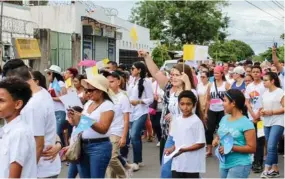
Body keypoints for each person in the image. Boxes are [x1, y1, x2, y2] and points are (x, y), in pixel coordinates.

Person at [3, 60, 62, 178]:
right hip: (45, 168)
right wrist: (58, 143)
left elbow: (38, 144)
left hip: (40, 172)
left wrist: (29, 174)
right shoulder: (42, 92)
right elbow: (48, 128)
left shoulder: (32, 105)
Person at [71, 75, 114, 178]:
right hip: (83, 144)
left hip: (99, 146)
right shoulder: (88, 103)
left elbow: (103, 129)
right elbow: (80, 125)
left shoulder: (107, 105)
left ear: (100, 91)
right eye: (87, 90)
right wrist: (74, 117)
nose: (88, 93)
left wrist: (85, 118)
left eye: (91, 90)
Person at [213, 89, 256, 178]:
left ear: (233, 103)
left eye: (225, 101)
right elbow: (219, 134)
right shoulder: (224, 118)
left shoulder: (246, 123)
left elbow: (252, 148)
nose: (222, 103)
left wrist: (230, 148)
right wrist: (216, 139)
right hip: (224, 163)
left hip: (240, 164)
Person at [0, 77, 37, 178]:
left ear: (17, 104)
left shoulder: (19, 133)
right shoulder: (7, 129)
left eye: (1, 101)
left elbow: (14, 176)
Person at [165, 90, 206, 178]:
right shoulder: (177, 120)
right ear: (178, 104)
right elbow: (177, 141)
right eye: (182, 104)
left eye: (188, 104)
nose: (185, 107)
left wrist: (184, 150)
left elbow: (201, 143)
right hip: (177, 164)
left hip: (191, 165)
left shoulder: (196, 121)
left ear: (194, 105)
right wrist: (171, 149)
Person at [127, 61, 154, 171]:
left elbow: (151, 98)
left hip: (141, 112)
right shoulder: (132, 80)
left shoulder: (146, 82)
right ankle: (140, 159)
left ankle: (136, 161)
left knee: (133, 135)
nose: (131, 70)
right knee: (136, 136)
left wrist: (139, 102)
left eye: (133, 68)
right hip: (131, 112)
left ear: (139, 70)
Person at [105, 71, 132, 178]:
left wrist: (124, 136)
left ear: (118, 82)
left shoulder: (123, 97)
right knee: (108, 161)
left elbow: (126, 119)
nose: (109, 84)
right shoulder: (106, 97)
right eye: (107, 82)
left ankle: (124, 175)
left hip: (117, 131)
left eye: (112, 82)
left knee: (112, 157)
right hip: (105, 132)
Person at [260, 72, 284, 178]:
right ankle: (275, 169)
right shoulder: (264, 93)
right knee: (271, 147)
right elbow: (263, 108)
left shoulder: (280, 92)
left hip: (278, 121)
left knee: (271, 146)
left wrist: (272, 112)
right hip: (266, 122)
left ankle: (266, 170)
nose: (263, 82)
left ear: (272, 81)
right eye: (263, 80)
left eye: (265, 80)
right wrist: (262, 112)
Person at [205, 66, 231, 157]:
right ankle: (209, 149)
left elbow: (230, 98)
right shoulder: (210, 84)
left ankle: (223, 148)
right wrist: (205, 112)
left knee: (223, 130)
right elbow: (208, 99)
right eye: (214, 73)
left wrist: (228, 111)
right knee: (209, 130)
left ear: (222, 74)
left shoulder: (226, 84)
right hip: (212, 109)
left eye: (217, 73)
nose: (215, 75)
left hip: (223, 110)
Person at [244, 65, 266, 173]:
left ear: (261, 73)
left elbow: (265, 100)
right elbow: (247, 101)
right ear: (251, 73)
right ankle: (252, 161)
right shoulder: (249, 86)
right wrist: (252, 113)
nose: (256, 74)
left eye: (258, 72)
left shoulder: (264, 85)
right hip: (250, 117)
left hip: (261, 118)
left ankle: (259, 162)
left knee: (260, 140)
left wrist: (258, 114)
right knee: (251, 139)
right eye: (254, 72)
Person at [46, 65, 69, 146]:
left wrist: (51, 98)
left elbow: (64, 98)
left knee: (56, 133)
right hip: (53, 111)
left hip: (60, 111)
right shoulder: (50, 85)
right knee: (55, 134)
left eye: (49, 73)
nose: (48, 75)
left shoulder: (61, 83)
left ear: (54, 74)